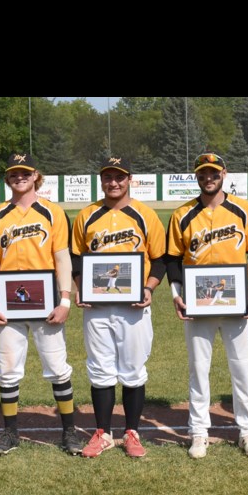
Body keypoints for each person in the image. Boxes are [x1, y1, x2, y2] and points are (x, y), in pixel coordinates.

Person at [166, 152, 248, 459]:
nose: (208, 178)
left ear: (224, 173)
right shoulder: (182, 213)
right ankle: (198, 431)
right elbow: (172, 258)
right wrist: (176, 294)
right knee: (198, 369)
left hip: (235, 302)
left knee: (241, 368)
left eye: (213, 172)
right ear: (197, 176)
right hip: (198, 304)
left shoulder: (242, 209)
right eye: (202, 173)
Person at [0, 153, 80, 456]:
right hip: (8, 305)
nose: (19, 178)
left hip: (46, 302)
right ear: (7, 178)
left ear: (36, 175)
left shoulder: (52, 212)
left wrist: (65, 299)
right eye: (13, 173)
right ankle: (10, 433)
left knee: (57, 368)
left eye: (24, 173)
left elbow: (62, 257)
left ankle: (70, 431)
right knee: (8, 370)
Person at [72, 156, 166, 458]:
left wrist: (149, 288)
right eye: (108, 177)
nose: (114, 182)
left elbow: (161, 259)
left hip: (133, 306)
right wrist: (80, 287)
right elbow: (76, 259)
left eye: (120, 177)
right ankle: (102, 433)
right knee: (99, 370)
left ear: (130, 179)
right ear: (101, 180)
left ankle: (131, 432)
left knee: (133, 370)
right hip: (97, 307)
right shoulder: (86, 215)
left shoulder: (145, 215)